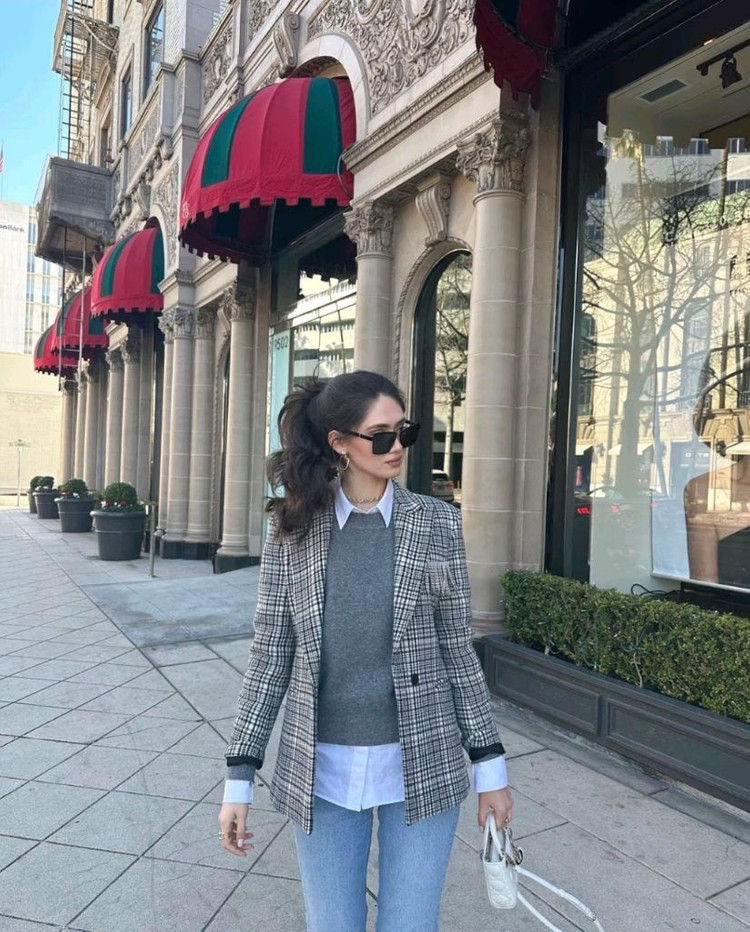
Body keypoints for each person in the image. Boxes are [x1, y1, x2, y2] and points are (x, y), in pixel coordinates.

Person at [218, 370, 512, 931]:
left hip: (422, 759)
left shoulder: (437, 523)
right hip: (321, 768)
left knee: (411, 923)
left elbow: (457, 650)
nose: (397, 446)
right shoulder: (293, 528)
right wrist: (240, 777)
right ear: (339, 442)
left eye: (405, 431)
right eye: (380, 436)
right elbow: (270, 657)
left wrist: (490, 769)